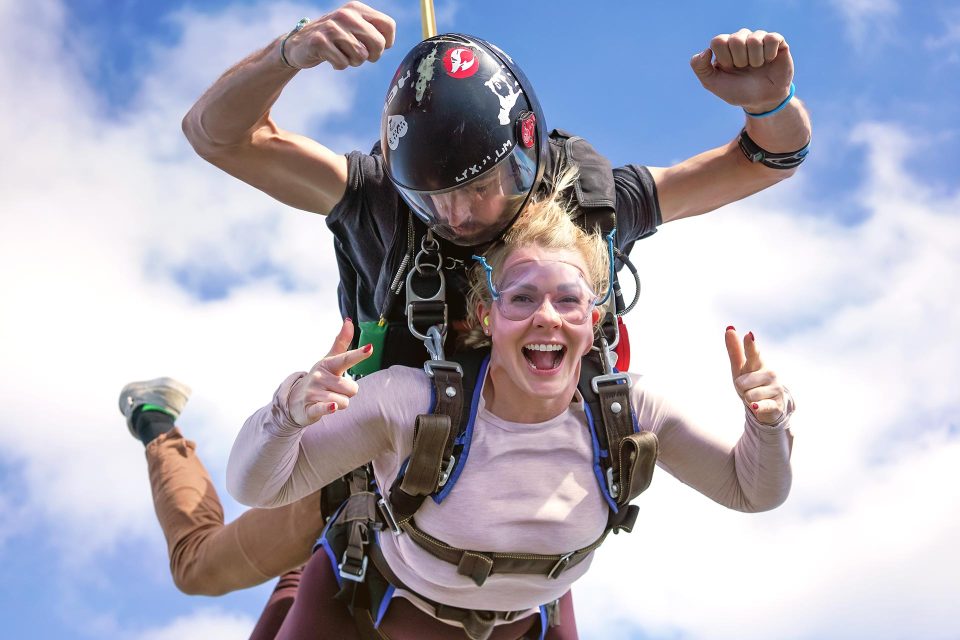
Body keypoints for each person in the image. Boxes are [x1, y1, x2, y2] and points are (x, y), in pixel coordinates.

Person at [124, 0, 810, 606]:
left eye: (481, 184)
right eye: (431, 195)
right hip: (370, 457)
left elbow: (765, 160)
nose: (456, 212)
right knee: (201, 571)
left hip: (520, 494)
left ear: (530, 151)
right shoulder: (378, 201)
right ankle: (160, 430)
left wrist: (770, 103)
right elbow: (216, 136)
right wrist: (287, 54)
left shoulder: (592, 205)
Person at [224, 179, 795, 639]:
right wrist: (288, 413)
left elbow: (751, 491)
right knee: (215, 572)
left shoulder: (629, 409)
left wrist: (767, 427)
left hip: (529, 623)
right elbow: (259, 489)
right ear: (485, 318)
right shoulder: (408, 401)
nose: (547, 316)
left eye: (568, 299)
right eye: (522, 297)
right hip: (363, 614)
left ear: (593, 318)